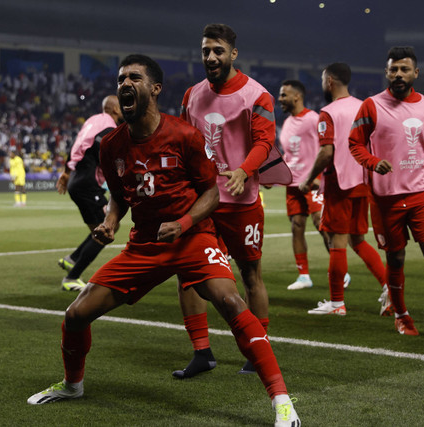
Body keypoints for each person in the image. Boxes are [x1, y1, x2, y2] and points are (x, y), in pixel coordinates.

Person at [27, 54, 300, 426]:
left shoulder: (185, 135)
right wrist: (110, 222)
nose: (124, 83)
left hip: (192, 238)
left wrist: (184, 222)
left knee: (231, 301)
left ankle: (282, 401)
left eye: (134, 77)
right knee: (75, 314)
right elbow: (120, 196)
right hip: (144, 245)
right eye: (121, 78)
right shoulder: (111, 146)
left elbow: (212, 194)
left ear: (154, 89)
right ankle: (72, 385)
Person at [173, 23, 292, 378]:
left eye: (218, 51)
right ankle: (201, 352)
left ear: (233, 54)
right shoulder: (192, 95)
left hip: (242, 203)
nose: (211, 57)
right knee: (188, 275)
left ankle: (258, 348)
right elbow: (184, 141)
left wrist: (243, 171)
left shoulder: (257, 95)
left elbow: (264, 141)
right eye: (206, 50)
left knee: (250, 275)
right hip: (203, 200)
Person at [349, 46, 424, 343]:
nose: (398, 74)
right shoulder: (371, 105)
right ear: (386, 72)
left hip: (420, 194)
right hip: (385, 198)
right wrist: (373, 162)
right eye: (393, 69)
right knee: (396, 259)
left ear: (416, 73)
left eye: (404, 69)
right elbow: (355, 144)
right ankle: (401, 316)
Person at [299, 62, 389, 316]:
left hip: (340, 183)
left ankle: (337, 303)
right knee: (358, 240)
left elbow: (327, 152)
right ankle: (389, 287)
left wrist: (308, 178)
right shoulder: (365, 107)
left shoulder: (328, 112)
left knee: (337, 242)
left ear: (329, 82)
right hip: (363, 181)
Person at [56, 95, 123, 291]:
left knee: (102, 226)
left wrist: (67, 172)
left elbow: (75, 147)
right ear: (115, 109)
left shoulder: (92, 121)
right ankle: (72, 277)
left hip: (77, 179)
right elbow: (103, 151)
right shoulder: (108, 127)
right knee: (109, 228)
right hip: (87, 183)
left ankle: (73, 259)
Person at [277, 79, 336, 290]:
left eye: (284, 95)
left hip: (312, 182)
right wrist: (274, 175)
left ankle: (340, 270)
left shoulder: (314, 119)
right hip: (292, 184)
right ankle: (303, 275)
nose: (280, 98)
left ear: (297, 96)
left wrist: (320, 177)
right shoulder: (286, 123)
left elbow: (328, 147)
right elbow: (289, 154)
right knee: (297, 227)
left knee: (321, 223)